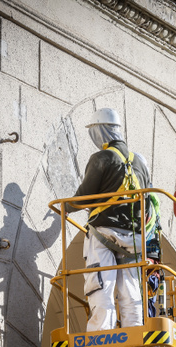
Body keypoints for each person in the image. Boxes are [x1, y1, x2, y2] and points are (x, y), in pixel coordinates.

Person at [65, 108, 152, 332]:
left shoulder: (102, 158)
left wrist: (64, 207)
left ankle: (100, 336)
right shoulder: (140, 163)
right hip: (133, 238)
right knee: (131, 291)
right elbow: (149, 202)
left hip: (104, 232)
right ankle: (134, 334)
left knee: (101, 285)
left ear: (100, 131)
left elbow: (84, 196)